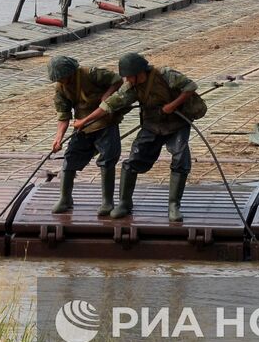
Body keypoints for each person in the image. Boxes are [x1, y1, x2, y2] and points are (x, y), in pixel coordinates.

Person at [78, 53, 207, 222]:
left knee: (181, 158)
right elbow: (110, 104)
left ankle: (173, 205)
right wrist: (85, 121)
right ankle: (125, 203)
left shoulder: (165, 74)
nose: (128, 80)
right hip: (152, 125)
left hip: (177, 124)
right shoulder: (130, 86)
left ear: (140, 72)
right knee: (134, 158)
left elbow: (190, 86)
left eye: (130, 76)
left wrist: (171, 106)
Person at [47, 56, 124, 216]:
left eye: (63, 77)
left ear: (71, 73)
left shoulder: (92, 74)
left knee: (107, 158)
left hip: (105, 120)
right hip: (82, 125)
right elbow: (63, 115)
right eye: (58, 79)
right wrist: (58, 138)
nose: (61, 81)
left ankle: (107, 201)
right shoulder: (61, 89)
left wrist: (107, 96)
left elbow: (117, 80)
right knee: (70, 157)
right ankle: (65, 198)